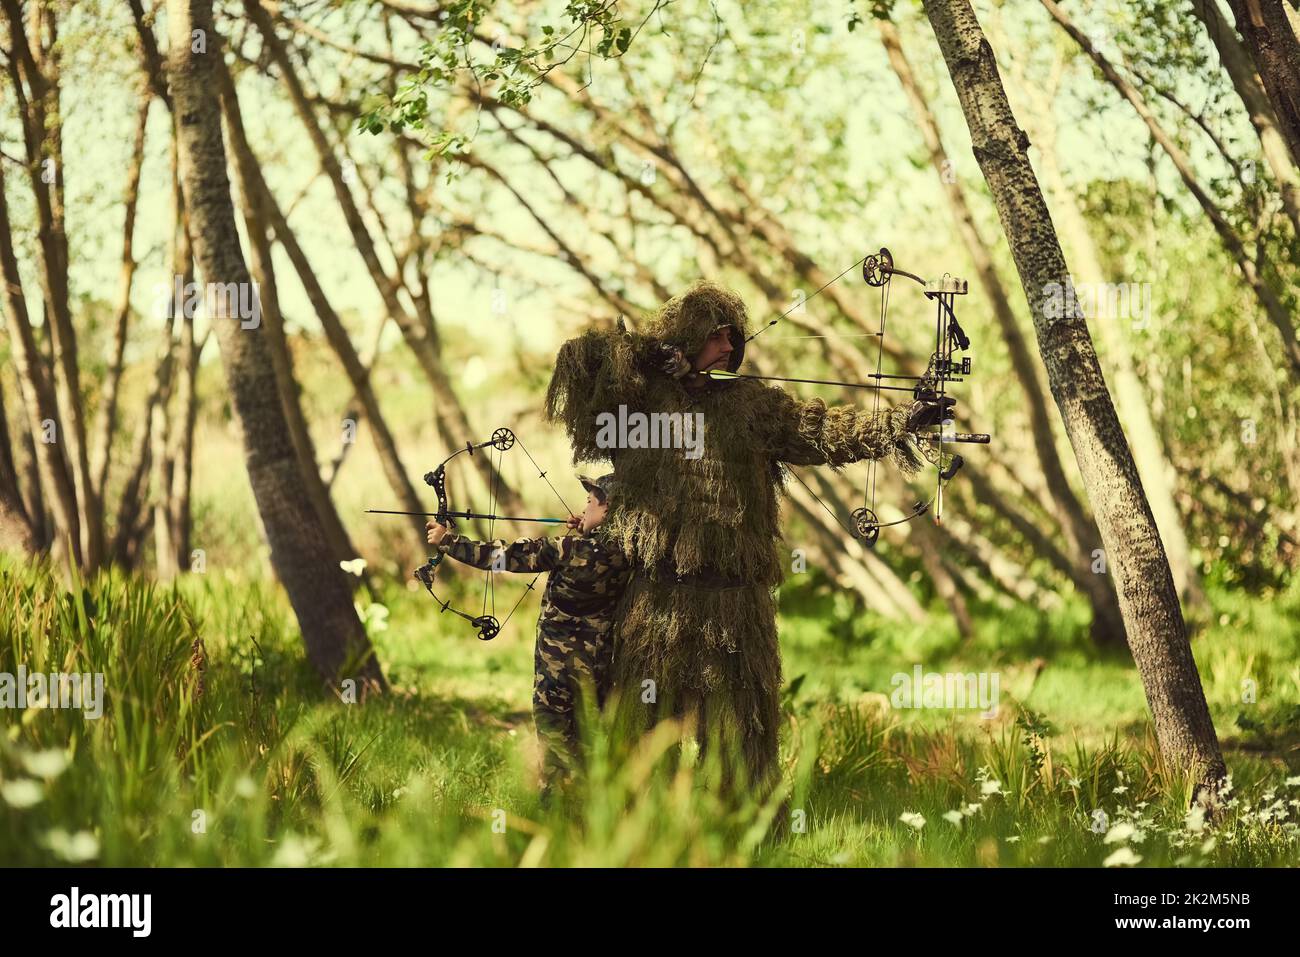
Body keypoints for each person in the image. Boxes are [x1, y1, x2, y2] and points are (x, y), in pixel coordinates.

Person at [545, 280, 940, 792]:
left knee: (741, 740)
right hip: (655, 599)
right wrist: (651, 356)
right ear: (686, 339)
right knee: (644, 737)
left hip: (737, 604)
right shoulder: (638, 399)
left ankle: (742, 835)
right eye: (715, 337)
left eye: (733, 338)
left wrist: (901, 424)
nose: (729, 348)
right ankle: (639, 837)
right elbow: (581, 363)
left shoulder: (754, 406)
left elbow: (821, 431)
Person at [426, 473, 630, 794]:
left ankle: (557, 816)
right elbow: (594, 554)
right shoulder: (628, 554)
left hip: (557, 674)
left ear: (608, 510)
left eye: (591, 502)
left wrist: (448, 540)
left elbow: (503, 557)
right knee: (589, 740)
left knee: (554, 743)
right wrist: (587, 531)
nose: (584, 506)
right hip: (597, 668)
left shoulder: (566, 548)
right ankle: (596, 811)